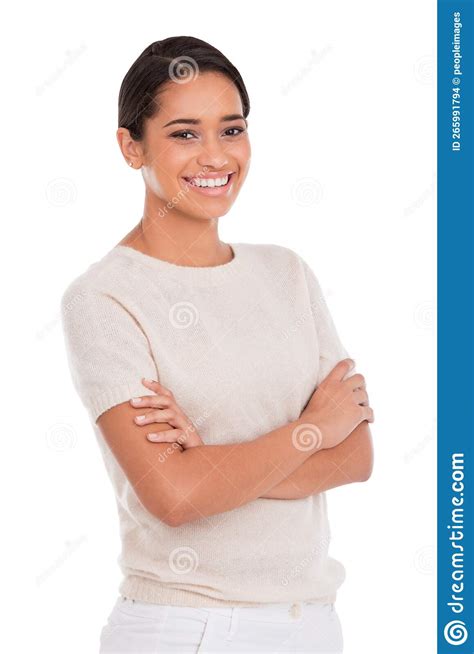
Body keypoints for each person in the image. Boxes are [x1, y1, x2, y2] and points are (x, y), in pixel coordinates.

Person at [60, 35, 374, 653]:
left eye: (231, 130)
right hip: (190, 629)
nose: (215, 155)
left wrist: (216, 463)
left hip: (311, 624)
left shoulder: (287, 273)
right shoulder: (105, 298)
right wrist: (310, 430)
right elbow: (175, 497)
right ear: (131, 146)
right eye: (183, 133)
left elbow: (356, 456)